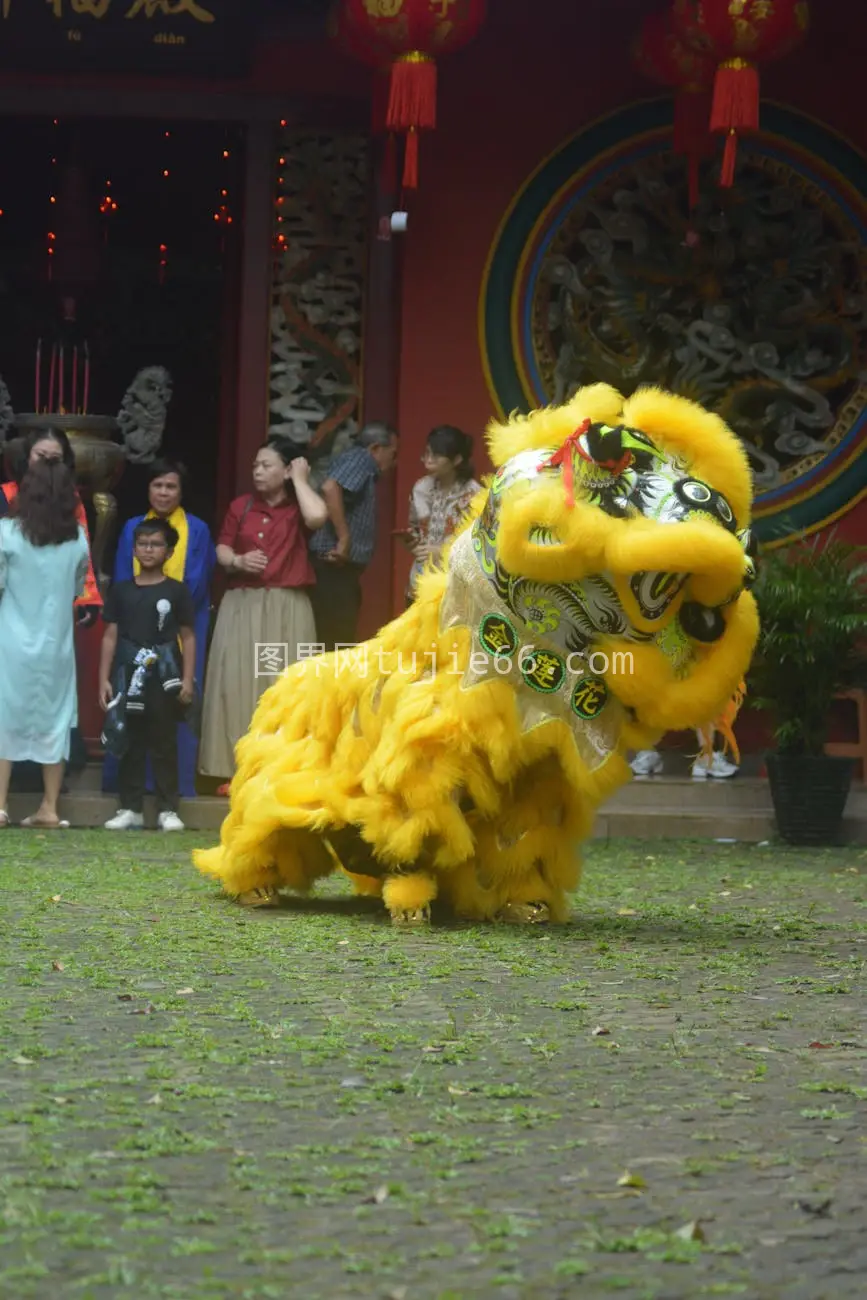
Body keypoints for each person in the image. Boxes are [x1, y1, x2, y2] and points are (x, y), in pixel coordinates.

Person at [198, 437, 328, 791]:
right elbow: (222, 547)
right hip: (243, 602)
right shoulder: (241, 506)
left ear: (286, 469)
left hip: (288, 604)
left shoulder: (299, 506)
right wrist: (238, 561)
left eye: (266, 465)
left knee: (283, 685)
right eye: (255, 465)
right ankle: (236, 770)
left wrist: (300, 480)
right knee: (236, 684)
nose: (257, 471)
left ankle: (281, 768)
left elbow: (318, 517)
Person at [103, 459, 215, 800]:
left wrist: (163, 609)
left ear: (181, 492)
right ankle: (128, 789)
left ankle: (172, 788)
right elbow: (124, 576)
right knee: (133, 697)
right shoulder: (133, 528)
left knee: (173, 700)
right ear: (148, 489)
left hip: (181, 625)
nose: (164, 493)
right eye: (158, 486)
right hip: (134, 627)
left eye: (171, 487)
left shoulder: (197, 529)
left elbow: (196, 581)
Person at [0, 458, 90, 829]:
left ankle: (1, 804)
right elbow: (76, 587)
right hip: (56, 643)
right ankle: (49, 807)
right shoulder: (78, 538)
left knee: (4, 716)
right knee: (55, 719)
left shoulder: (6, 532)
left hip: (12, 641)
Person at [99, 518, 196, 832]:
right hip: (128, 674)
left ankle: (168, 808)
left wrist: (187, 677)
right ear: (134, 549)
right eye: (143, 544)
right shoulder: (122, 590)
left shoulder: (177, 591)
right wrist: (104, 678)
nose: (149, 549)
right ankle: (131, 807)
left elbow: (188, 636)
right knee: (130, 739)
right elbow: (110, 636)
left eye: (156, 544)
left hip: (164, 675)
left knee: (164, 740)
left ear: (168, 552)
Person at [309, 422, 399, 652]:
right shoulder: (361, 458)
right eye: (393, 453)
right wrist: (344, 538)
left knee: (337, 639)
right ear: (376, 448)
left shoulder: (357, 461)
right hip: (334, 566)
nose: (394, 461)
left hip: (340, 570)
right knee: (335, 642)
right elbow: (331, 488)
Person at [401, 425, 482, 605]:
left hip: (456, 585)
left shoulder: (475, 495)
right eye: (427, 454)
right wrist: (412, 544)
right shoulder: (421, 488)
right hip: (420, 581)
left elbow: (479, 545)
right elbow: (415, 529)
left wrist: (440, 551)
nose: (428, 461)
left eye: (436, 456)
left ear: (457, 460)